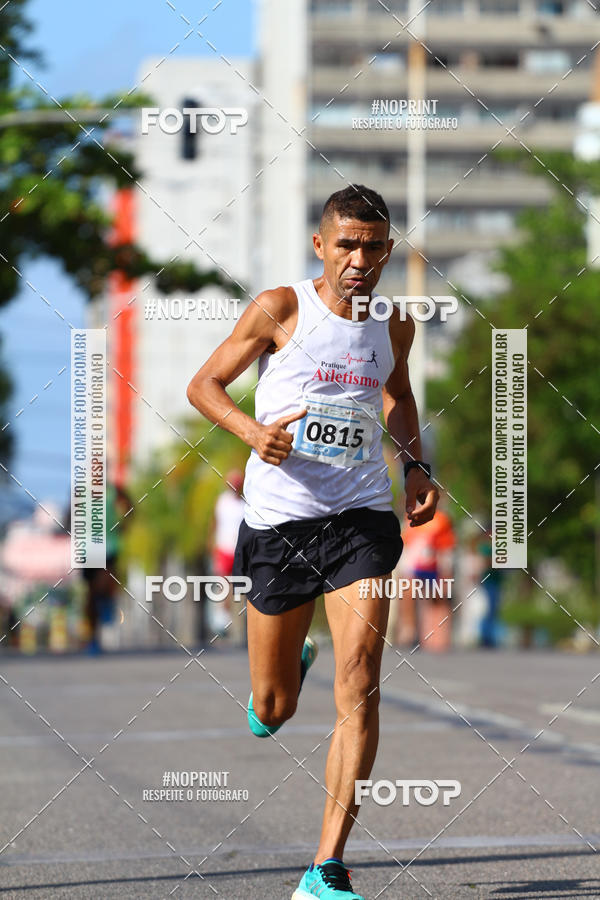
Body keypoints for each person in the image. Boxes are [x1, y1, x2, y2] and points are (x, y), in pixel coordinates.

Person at [187, 185, 439, 900]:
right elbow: (204, 384)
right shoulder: (281, 309)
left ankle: (325, 869)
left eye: (374, 246)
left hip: (359, 518)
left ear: (389, 251)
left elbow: (398, 398)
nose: (360, 259)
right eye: (347, 244)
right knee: (273, 707)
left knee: (360, 680)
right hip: (278, 525)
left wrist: (416, 467)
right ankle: (286, 672)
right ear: (320, 246)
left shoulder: (392, 324)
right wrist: (251, 433)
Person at [207, 469, 246, 637]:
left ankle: (236, 619)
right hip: (223, 548)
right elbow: (214, 522)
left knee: (238, 585)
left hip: (238, 549)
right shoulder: (222, 501)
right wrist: (211, 542)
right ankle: (222, 616)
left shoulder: (245, 504)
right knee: (224, 582)